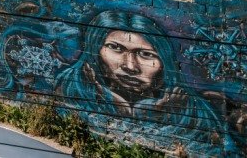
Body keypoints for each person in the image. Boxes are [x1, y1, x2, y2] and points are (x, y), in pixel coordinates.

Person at [55, 9, 236, 156]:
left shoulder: (195, 113)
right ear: (95, 49)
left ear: (164, 63)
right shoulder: (69, 90)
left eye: (146, 54)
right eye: (116, 48)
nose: (130, 67)